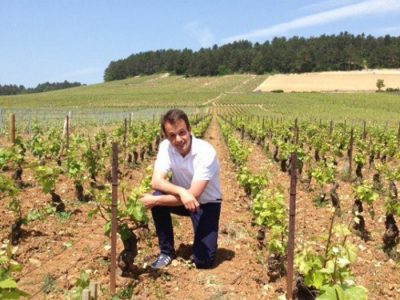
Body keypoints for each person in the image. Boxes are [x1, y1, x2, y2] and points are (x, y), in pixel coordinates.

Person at [140, 109, 222, 269]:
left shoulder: (206, 152)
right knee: (158, 197)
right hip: (182, 200)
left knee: (203, 262)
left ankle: (203, 242)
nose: (178, 139)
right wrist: (182, 192)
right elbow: (156, 181)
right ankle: (166, 252)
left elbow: (195, 195)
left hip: (207, 204)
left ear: (190, 130)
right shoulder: (165, 147)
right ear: (166, 136)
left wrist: (156, 200)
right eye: (172, 135)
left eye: (182, 133)